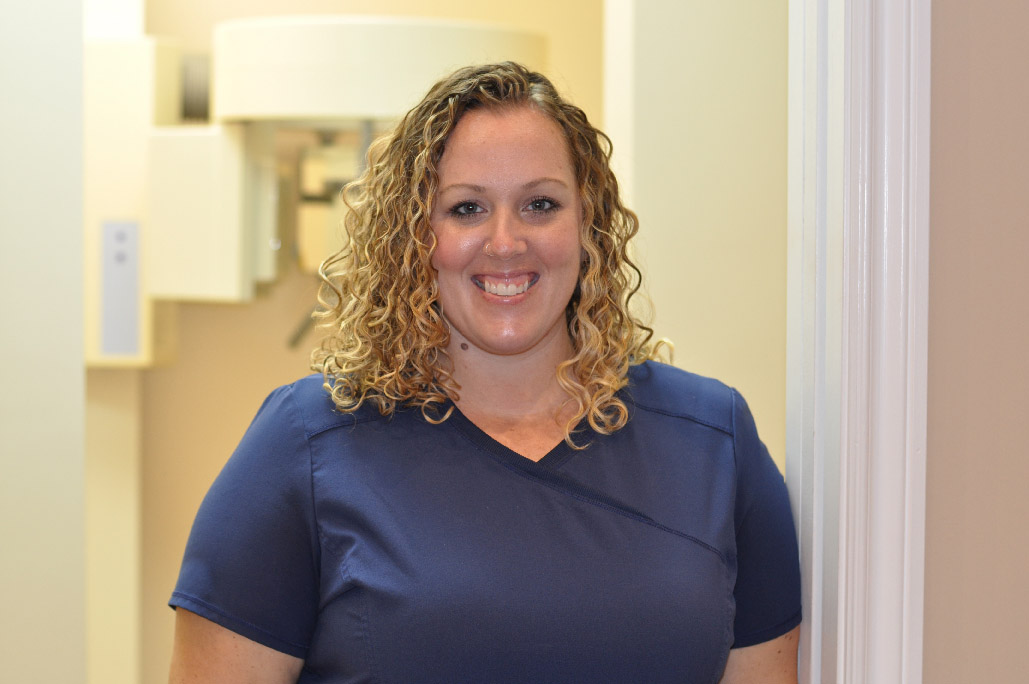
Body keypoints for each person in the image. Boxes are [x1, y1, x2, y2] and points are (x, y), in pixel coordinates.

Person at [168, 62, 801, 684]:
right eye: (467, 208)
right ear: (414, 234)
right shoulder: (304, 447)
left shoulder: (714, 443)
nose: (505, 242)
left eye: (540, 204)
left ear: (588, 226)